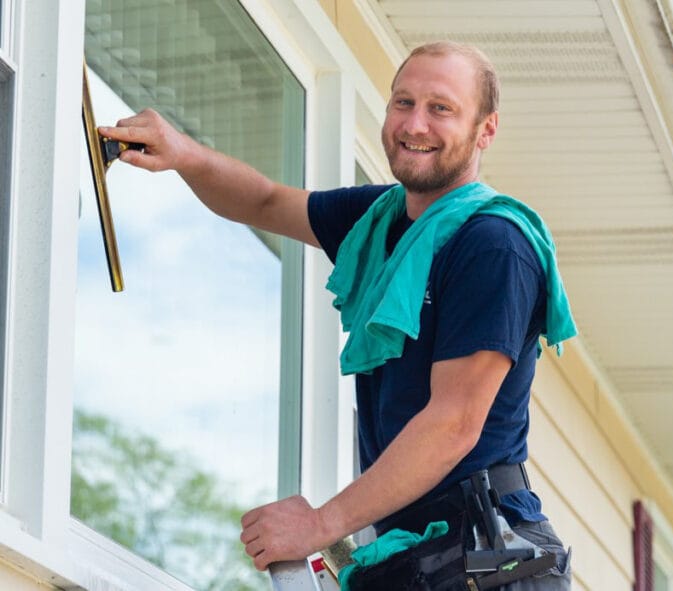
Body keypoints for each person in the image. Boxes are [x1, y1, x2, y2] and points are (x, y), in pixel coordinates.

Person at [100, 41, 574, 590]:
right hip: (424, 555)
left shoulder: (494, 243)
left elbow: (454, 425)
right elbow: (264, 201)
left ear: (485, 130)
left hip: (489, 560)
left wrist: (320, 524)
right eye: (403, 102)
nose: (414, 124)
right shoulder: (378, 221)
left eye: (441, 108)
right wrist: (183, 153)